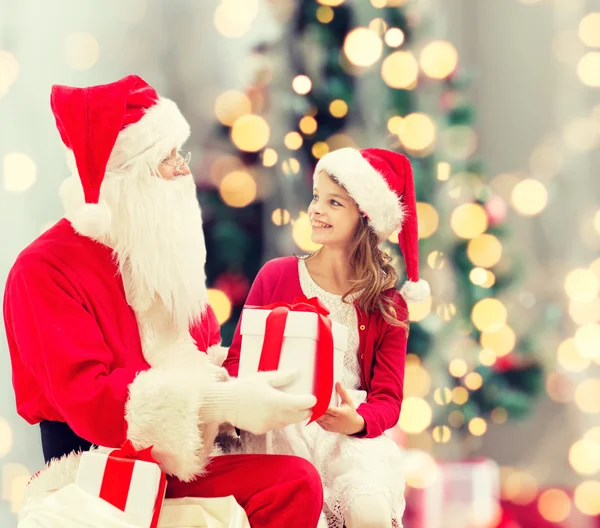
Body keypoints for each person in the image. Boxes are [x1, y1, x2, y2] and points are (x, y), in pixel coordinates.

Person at [3, 75, 324, 528]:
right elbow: (92, 402)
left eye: (180, 153)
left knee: (301, 477)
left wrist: (273, 385)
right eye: (166, 158)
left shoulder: (161, 254)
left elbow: (205, 355)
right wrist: (222, 403)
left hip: (180, 462)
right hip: (95, 472)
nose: (183, 169)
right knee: (294, 483)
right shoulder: (44, 269)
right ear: (125, 178)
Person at [223, 147, 430, 528]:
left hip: (346, 437)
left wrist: (355, 421)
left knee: (366, 511)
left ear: (365, 218)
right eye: (316, 197)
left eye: (334, 202)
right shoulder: (277, 275)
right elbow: (238, 360)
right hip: (279, 429)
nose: (316, 209)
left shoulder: (388, 305)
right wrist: (247, 396)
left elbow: (388, 399)